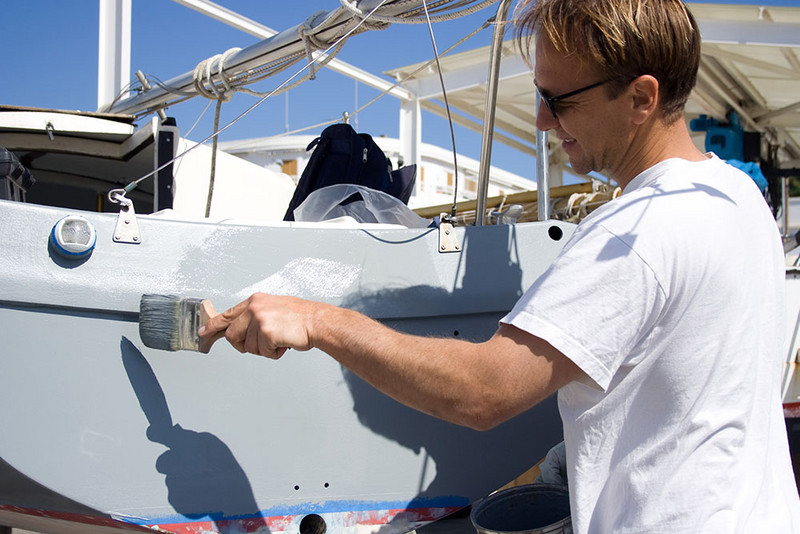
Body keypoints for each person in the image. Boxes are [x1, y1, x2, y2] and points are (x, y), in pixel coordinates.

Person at [200, 0, 800, 531]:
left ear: (641, 97)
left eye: (557, 100)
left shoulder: (632, 235)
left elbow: (484, 392)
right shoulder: (735, 195)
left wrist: (318, 322)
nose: (542, 120)